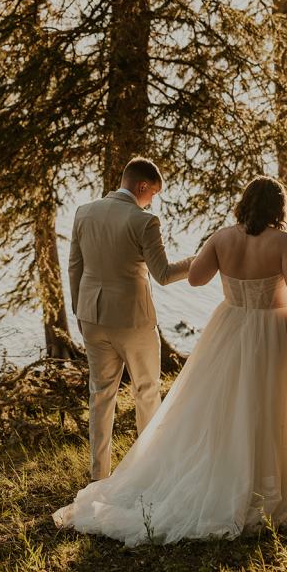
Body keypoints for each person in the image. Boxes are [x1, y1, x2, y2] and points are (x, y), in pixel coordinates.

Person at [54, 175, 287, 545]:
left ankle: (224, 476)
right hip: (273, 332)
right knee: (273, 406)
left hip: (229, 328)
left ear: (245, 204)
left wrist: (218, 264)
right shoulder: (283, 242)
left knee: (224, 408)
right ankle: (267, 486)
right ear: (278, 208)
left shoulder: (222, 237)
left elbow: (198, 279)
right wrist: (283, 320)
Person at [68, 156, 193, 482]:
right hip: (132, 321)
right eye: (153, 192)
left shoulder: (84, 212)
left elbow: (75, 267)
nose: (153, 199)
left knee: (100, 395)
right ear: (141, 186)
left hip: (92, 318)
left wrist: (79, 311)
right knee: (146, 391)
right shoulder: (144, 221)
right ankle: (146, 474)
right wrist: (198, 260)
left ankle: (99, 476)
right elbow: (163, 274)